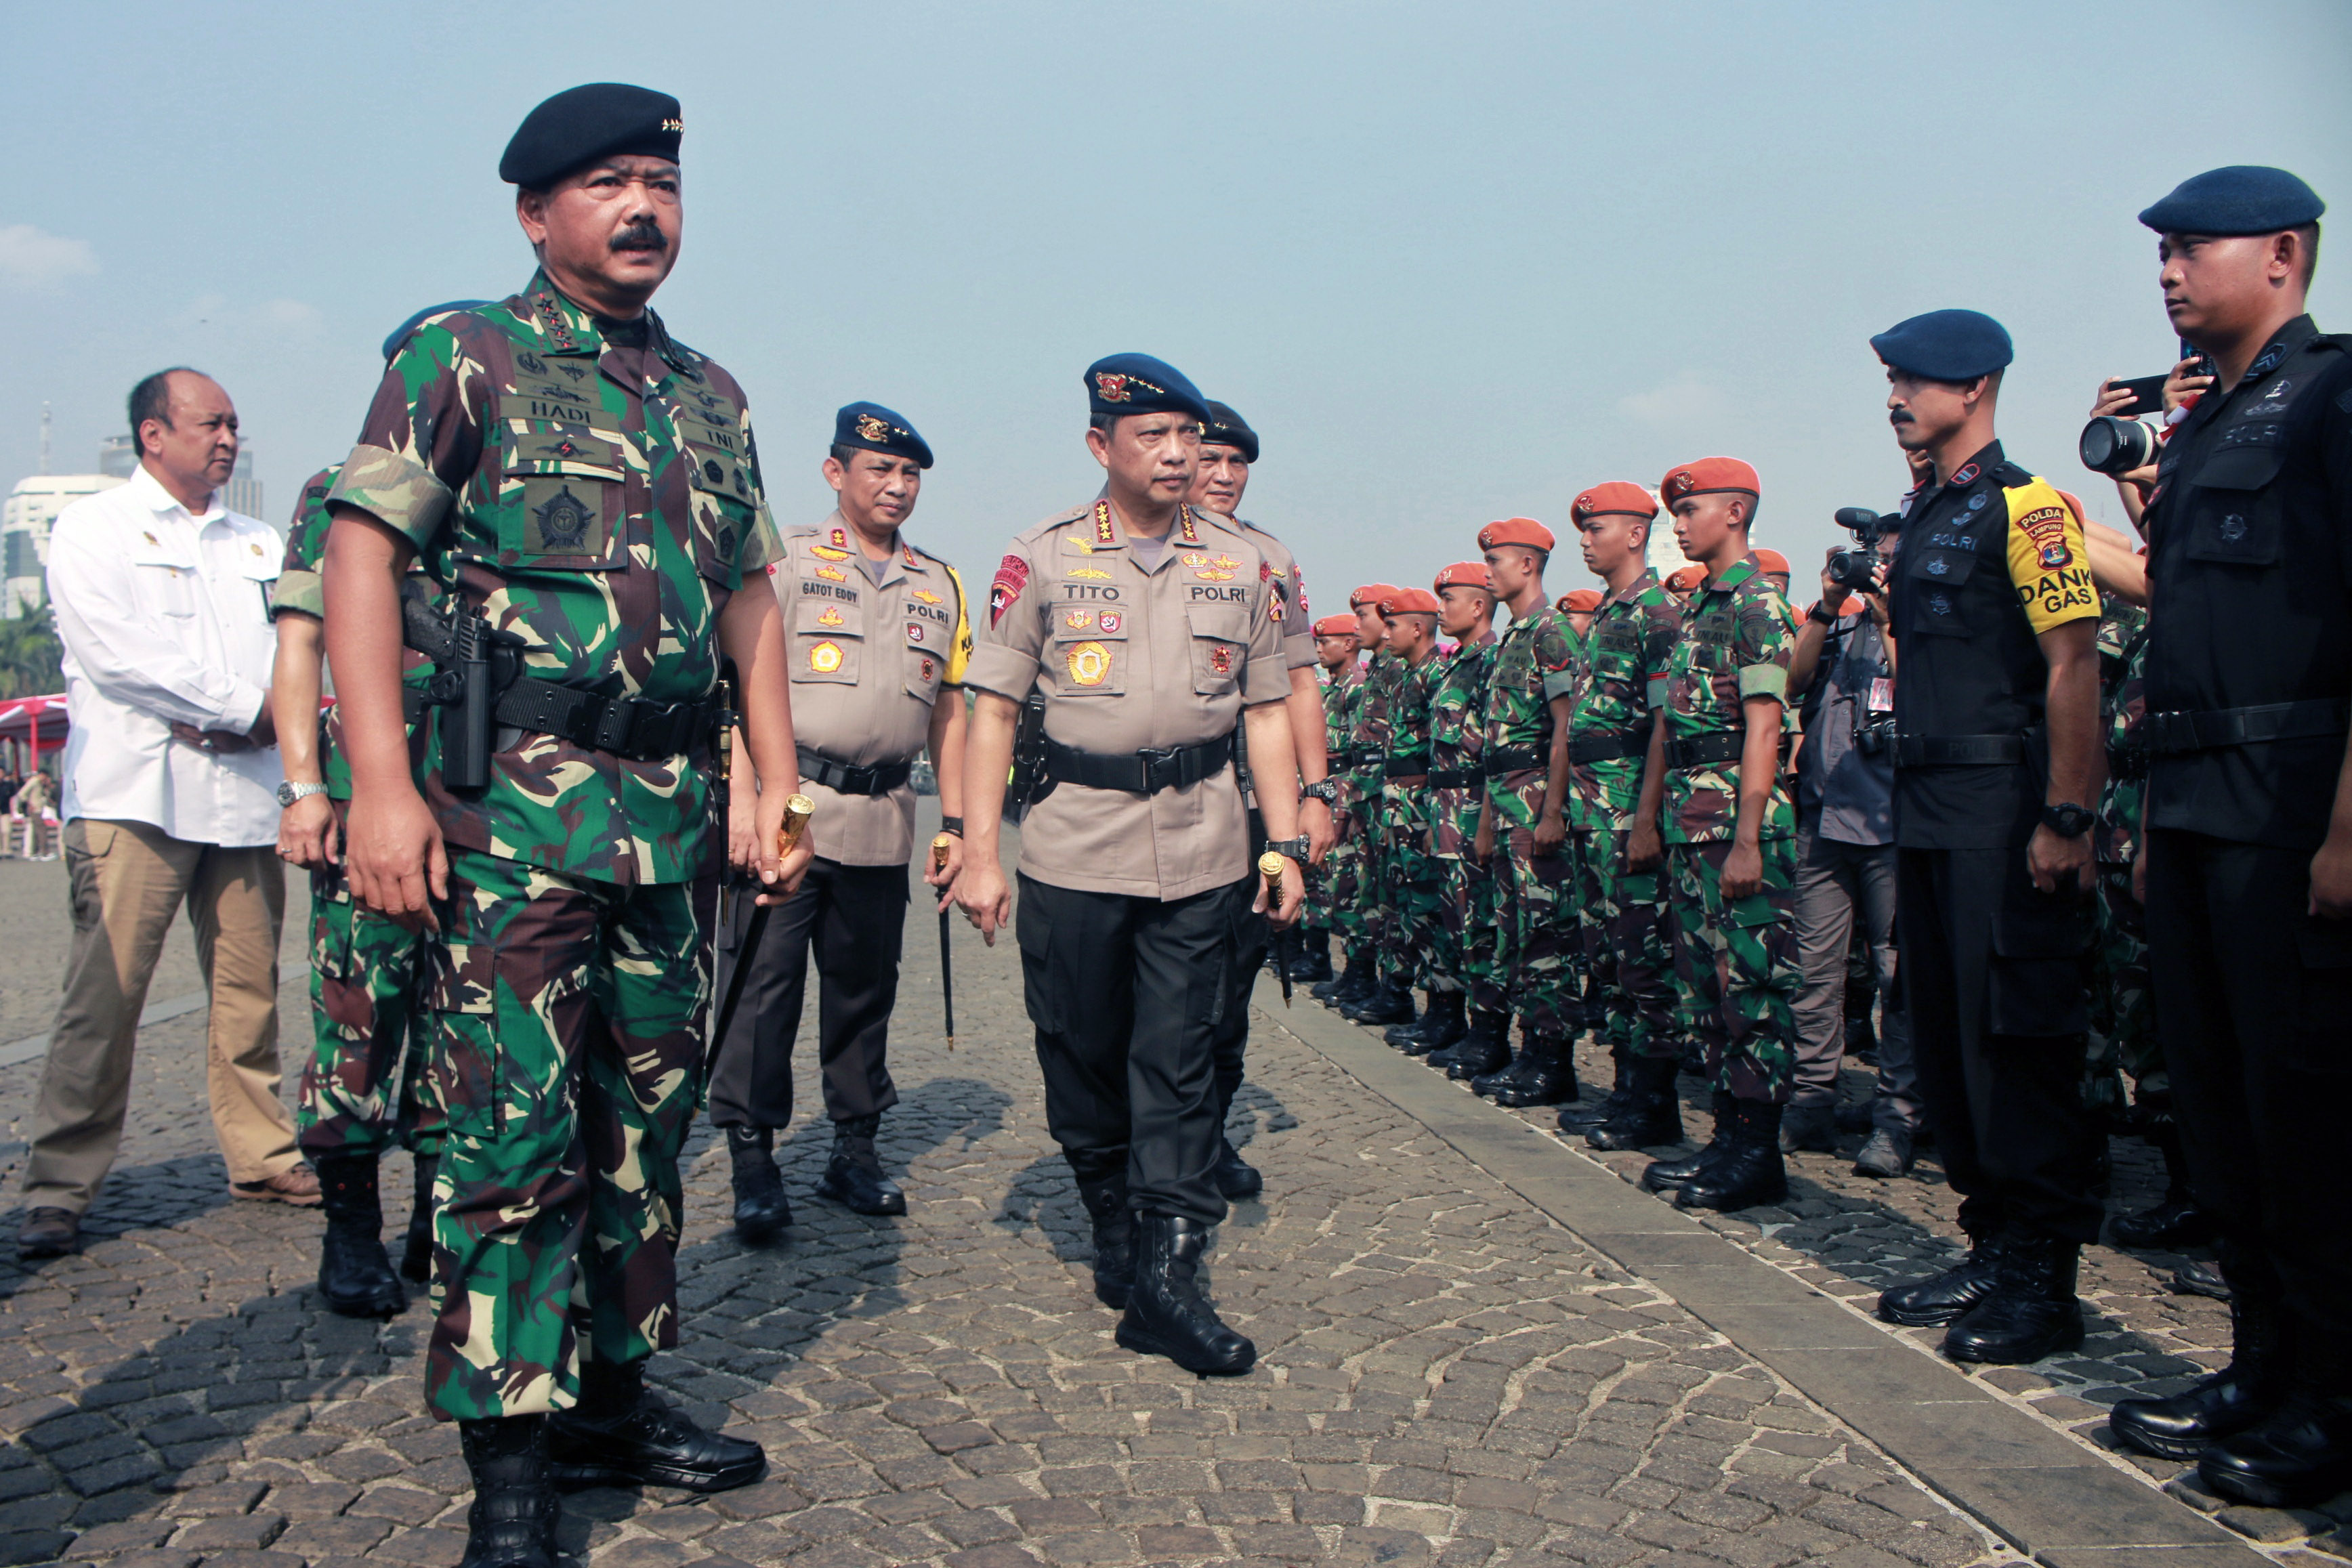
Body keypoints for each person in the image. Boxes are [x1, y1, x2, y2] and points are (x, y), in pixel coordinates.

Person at [320, 83, 813, 1561]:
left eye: (661, 180)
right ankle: (514, 1462)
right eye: (606, 182)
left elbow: (748, 594)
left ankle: (611, 1399)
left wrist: (771, 776)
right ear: (537, 214)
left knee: (645, 1127)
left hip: (668, 820)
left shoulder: (712, 395)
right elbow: (360, 558)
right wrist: (383, 788)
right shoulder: (461, 355)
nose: (642, 206)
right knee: (511, 1133)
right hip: (512, 819)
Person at [957, 352, 1305, 1377]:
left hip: (1204, 845)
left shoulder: (1243, 562)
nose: (1178, 452)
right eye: (1152, 435)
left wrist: (1284, 840)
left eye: (1187, 433)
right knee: (1081, 1049)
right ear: (1100, 445)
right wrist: (979, 852)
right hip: (1075, 843)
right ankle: (1110, 1209)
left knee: (1181, 1061)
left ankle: (1167, 1276)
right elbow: (993, 709)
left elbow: (1269, 712)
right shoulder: (1043, 554)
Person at [2105, 167, 2352, 1508]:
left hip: (2288, 805)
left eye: (2190, 248)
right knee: (2221, 1113)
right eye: (2159, 252)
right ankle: (2260, 1365)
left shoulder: (2328, 396)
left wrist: (2345, 828)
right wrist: (2152, 820)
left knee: (2304, 1114)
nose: (2166, 271)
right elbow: (2181, 646)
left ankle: (2330, 1399)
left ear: (2281, 253)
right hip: (2195, 807)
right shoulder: (2200, 431)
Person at [18, 367, 310, 1262]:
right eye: (210, 423)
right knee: (104, 995)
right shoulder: (94, 526)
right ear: (153, 433)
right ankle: (59, 1182)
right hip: (137, 794)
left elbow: (295, 647)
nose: (227, 438)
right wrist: (244, 707)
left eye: (234, 424)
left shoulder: (259, 540)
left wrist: (265, 717)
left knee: (249, 991)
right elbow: (116, 653)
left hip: (245, 794)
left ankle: (262, 1154)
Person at [1864, 309, 2105, 1367]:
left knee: (2016, 1040)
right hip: (1925, 810)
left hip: (2002, 812)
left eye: (1914, 380)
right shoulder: (1926, 511)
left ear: (1975, 387)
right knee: (1949, 1039)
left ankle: (2043, 1275)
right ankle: (1991, 1243)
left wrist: (2066, 813)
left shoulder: (2030, 506)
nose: (1896, 398)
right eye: (1892, 380)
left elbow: (2072, 661)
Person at [708, 402, 969, 1233]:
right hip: (790, 811)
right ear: (835, 472)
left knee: (863, 993)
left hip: (884, 815)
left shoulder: (940, 584)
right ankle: (753, 1159)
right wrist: (741, 800)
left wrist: (957, 822)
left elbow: (950, 712)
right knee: (763, 989)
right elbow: (732, 686)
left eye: (910, 473)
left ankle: (854, 1149)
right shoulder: (783, 560)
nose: (897, 486)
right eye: (879, 469)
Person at [1626, 459, 1801, 1212]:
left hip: (1735, 817)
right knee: (1707, 988)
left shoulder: (1758, 604)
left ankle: (1758, 1153)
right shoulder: (1700, 608)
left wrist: (1750, 837)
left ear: (1734, 512)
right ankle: (1728, 1139)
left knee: (1753, 988)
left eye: (1690, 509)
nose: (1678, 523)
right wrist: (1653, 818)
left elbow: (1764, 727)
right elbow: (1670, 724)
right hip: (1691, 819)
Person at [1190, 400, 1332, 1200]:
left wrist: (1316, 792)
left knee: (1233, 973)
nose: (1223, 474)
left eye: (1236, 462)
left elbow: (1300, 680)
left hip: (1251, 809)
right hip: (1167, 799)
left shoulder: (1270, 558)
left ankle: (1206, 1131)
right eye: (1209, 457)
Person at [1781, 505, 1923, 1177]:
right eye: (1874, 558)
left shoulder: (1921, 623)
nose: (1877, 569)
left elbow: (1923, 692)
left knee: (1897, 978)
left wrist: (1892, 616)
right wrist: (1827, 603)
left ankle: (1897, 1117)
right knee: (1814, 972)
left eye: (1889, 559)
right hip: (1825, 816)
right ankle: (1811, 1099)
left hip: (1893, 822)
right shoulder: (1840, 621)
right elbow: (1792, 680)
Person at [1558, 485, 1686, 1147]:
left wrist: (1645, 818)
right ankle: (1625, 1091)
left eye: (1596, 528)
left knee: (1643, 957)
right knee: (1607, 957)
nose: (1585, 540)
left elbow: (1665, 721)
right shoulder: (1609, 611)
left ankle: (1655, 1103)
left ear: (1636, 534)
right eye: (1583, 530)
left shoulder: (1657, 612)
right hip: (1592, 809)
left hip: (1627, 805)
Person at [1459, 520, 1578, 1086]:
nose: (1487, 573)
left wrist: (1553, 812)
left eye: (1496, 561)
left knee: (1545, 932)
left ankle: (1552, 1059)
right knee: (1514, 932)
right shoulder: (1513, 637)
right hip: (1506, 802)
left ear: (1528, 565)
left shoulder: (1552, 632)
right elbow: (1493, 746)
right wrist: (1485, 821)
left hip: (1534, 803)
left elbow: (1565, 729)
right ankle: (1528, 1051)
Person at [1397, 563, 1497, 1060]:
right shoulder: (1457, 667)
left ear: (1478, 607)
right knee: (1448, 922)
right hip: (1444, 810)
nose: (1441, 610)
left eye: (1450, 599)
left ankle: (1487, 1032)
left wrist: (1486, 821)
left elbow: (1496, 748)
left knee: (1478, 925)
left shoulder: (1490, 661)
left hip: (1474, 809)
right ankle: (1447, 1014)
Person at [1335, 585, 1414, 1023]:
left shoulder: (1399, 669)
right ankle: (1369, 977)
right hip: (1368, 793)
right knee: (1371, 891)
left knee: (1394, 896)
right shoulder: (1380, 669)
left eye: (1363, 615)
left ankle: (1395, 987)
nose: (1357, 625)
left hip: (1393, 797)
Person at [1296, 613, 1364, 983]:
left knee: (1343, 881)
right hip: (1325, 785)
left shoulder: (1357, 687)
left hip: (1344, 787)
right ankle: (1316, 954)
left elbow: (1359, 750)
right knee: (1317, 875)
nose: (1318, 649)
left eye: (1325, 642)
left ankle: (1354, 970)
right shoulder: (1333, 688)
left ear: (1349, 644)